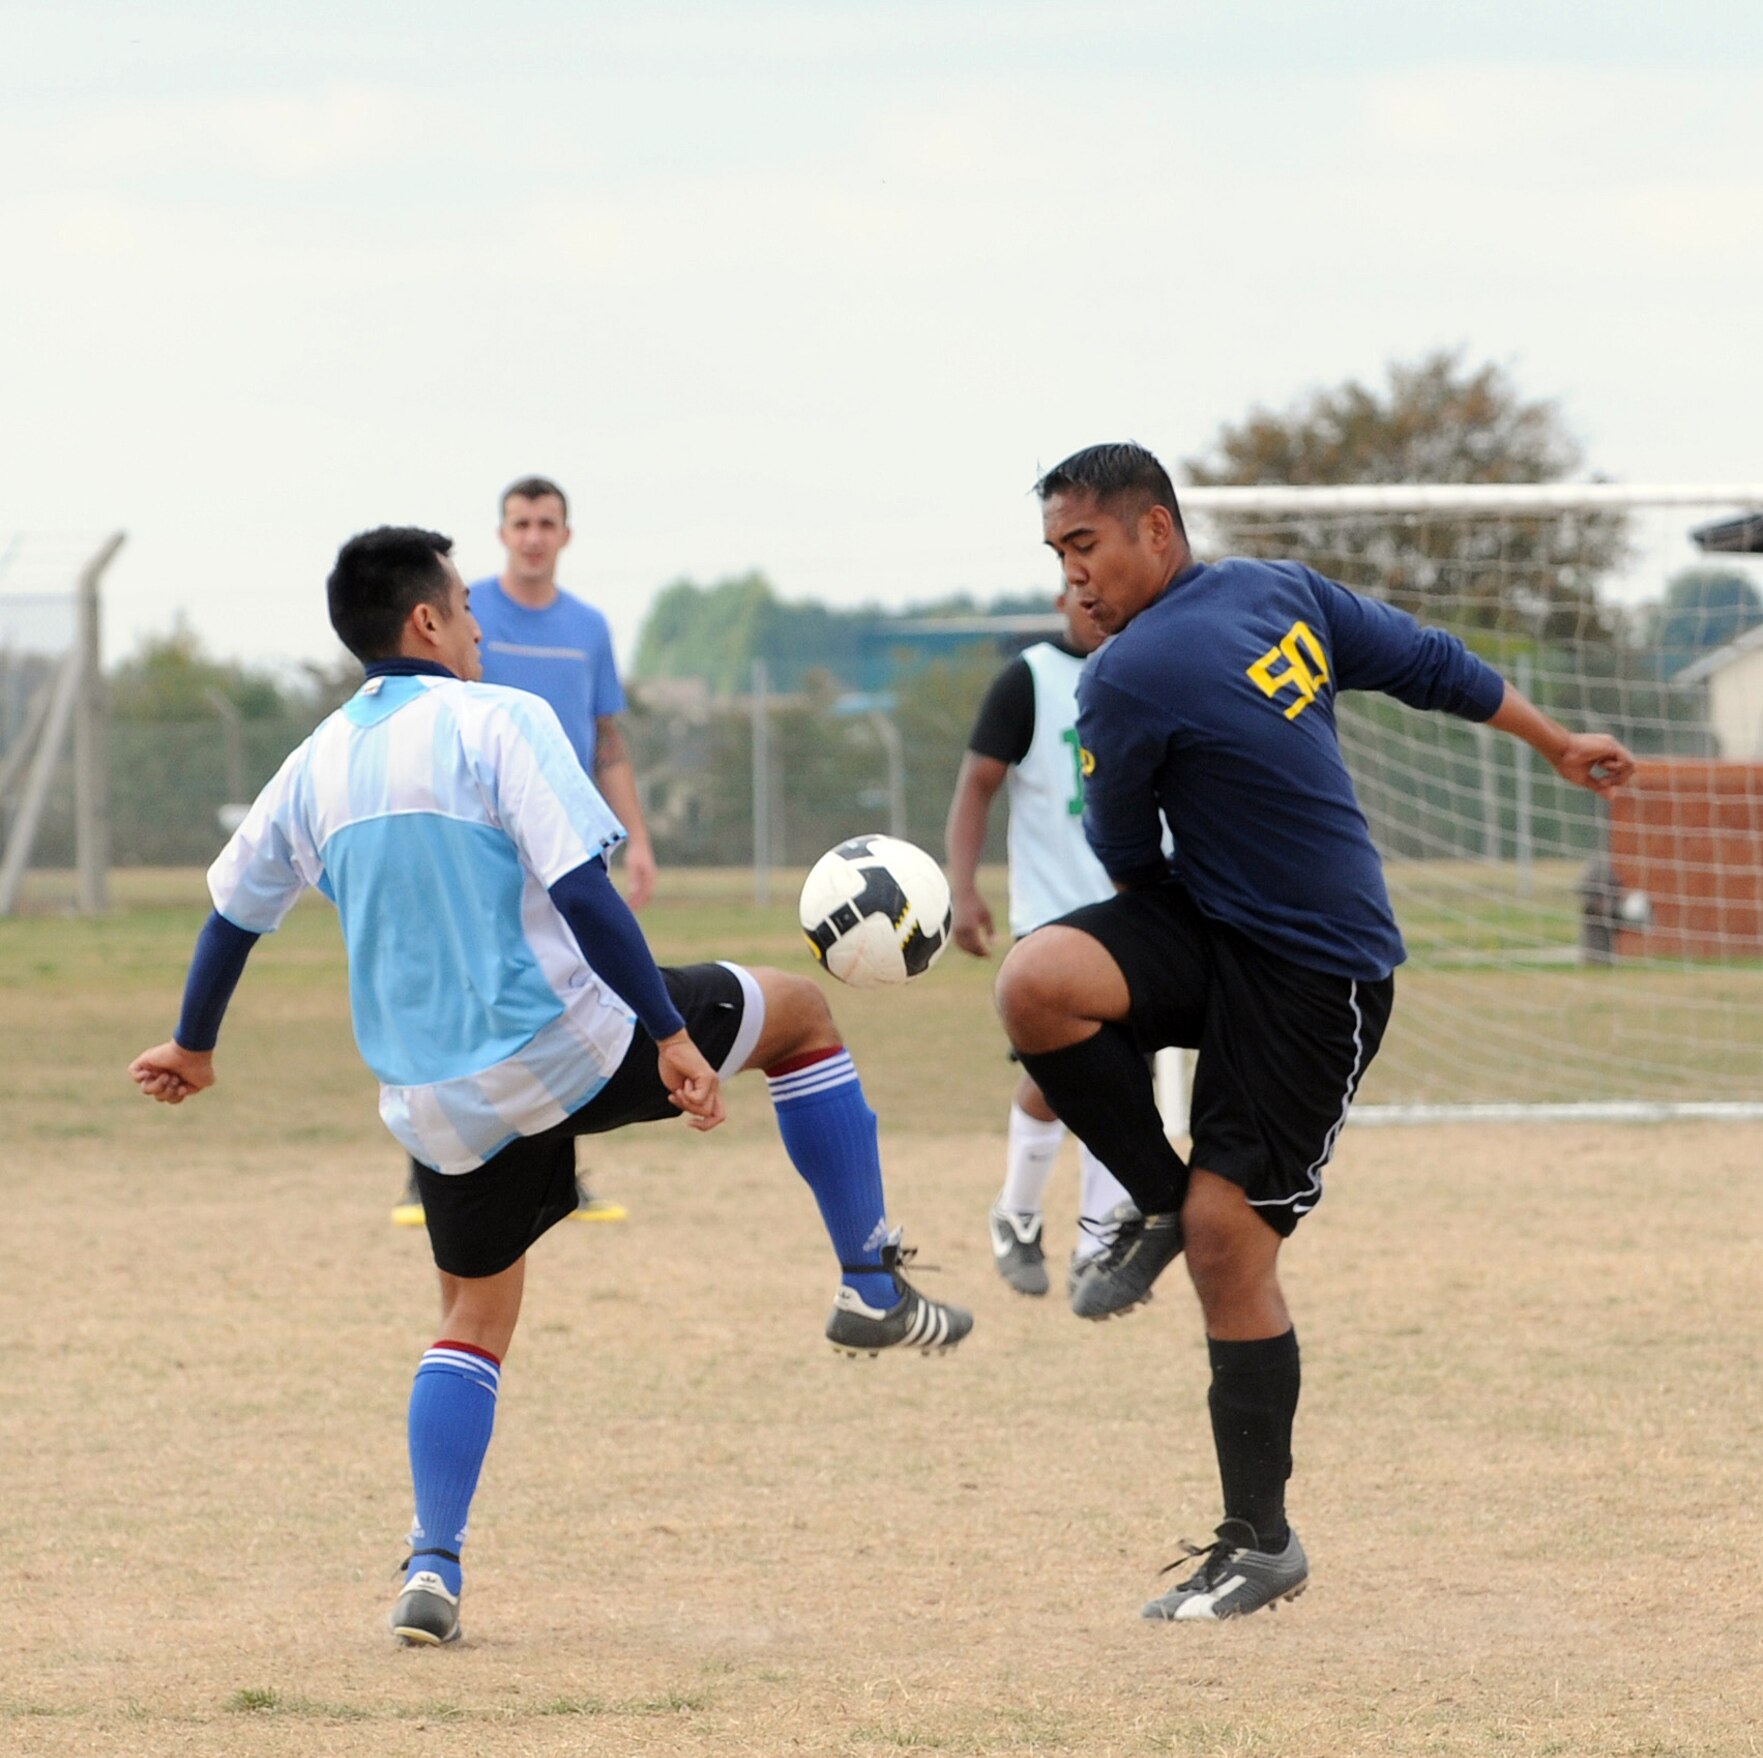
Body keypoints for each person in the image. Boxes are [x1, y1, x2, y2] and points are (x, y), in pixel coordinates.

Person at [130, 526, 972, 1650]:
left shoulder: (315, 760)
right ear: (426, 621)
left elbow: (232, 916)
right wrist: (667, 1033)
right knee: (804, 1015)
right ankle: (868, 1282)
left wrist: (193, 1043)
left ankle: (432, 1565)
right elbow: (583, 888)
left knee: (472, 1320)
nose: (481, 625)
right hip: (573, 1041)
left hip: (434, 1100)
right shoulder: (502, 720)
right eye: (466, 606)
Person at [994, 443, 1634, 1622]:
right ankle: (1149, 1197)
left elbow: (1129, 857)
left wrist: (1157, 960)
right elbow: (1432, 666)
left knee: (1228, 1242)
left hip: (1314, 972)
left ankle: (1259, 1540)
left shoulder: (1130, 673)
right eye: (1056, 555)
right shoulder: (1273, 587)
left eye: (1084, 546)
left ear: (1155, 533)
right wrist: (1552, 742)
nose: (1071, 577)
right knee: (1038, 981)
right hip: (1219, 925)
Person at [391, 475, 648, 1229]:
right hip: (480, 840)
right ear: (501, 534)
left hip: (563, 842)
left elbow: (608, 744)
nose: (533, 535)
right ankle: (429, 1170)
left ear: (565, 535)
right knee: (462, 992)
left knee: (573, 996)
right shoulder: (468, 616)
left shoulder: (589, 627)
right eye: (520, 523)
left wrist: (638, 840)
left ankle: (560, 1177)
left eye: (546, 523)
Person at [944, 590, 1134, 1297]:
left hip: (1138, 907)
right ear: (1061, 597)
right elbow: (976, 785)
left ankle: (1099, 1238)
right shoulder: (1028, 679)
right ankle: (1016, 1214)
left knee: (1123, 1074)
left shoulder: (1150, 667)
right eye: (1075, 583)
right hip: (1052, 914)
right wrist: (962, 890)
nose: (1093, 599)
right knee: (1061, 1077)